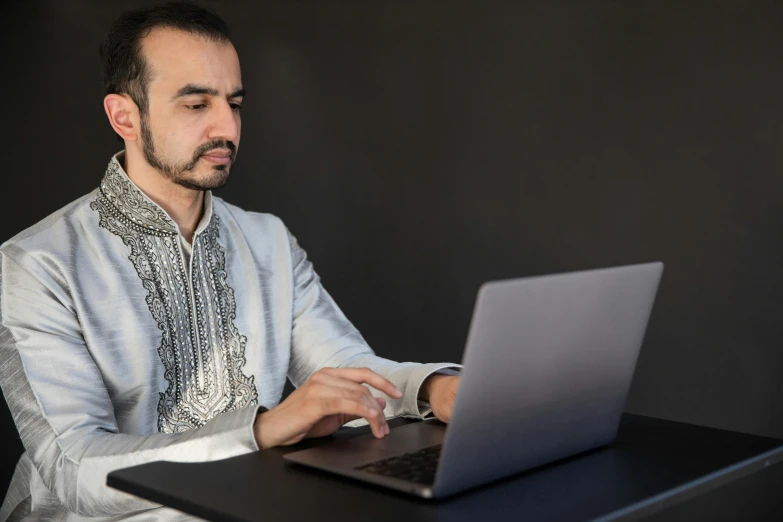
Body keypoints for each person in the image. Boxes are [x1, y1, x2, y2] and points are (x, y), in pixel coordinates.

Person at [0, 2, 461, 520]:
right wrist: (262, 429)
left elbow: (346, 370)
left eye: (234, 103)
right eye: (197, 105)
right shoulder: (38, 263)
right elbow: (72, 468)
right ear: (124, 116)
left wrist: (434, 390)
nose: (227, 127)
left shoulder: (267, 241)